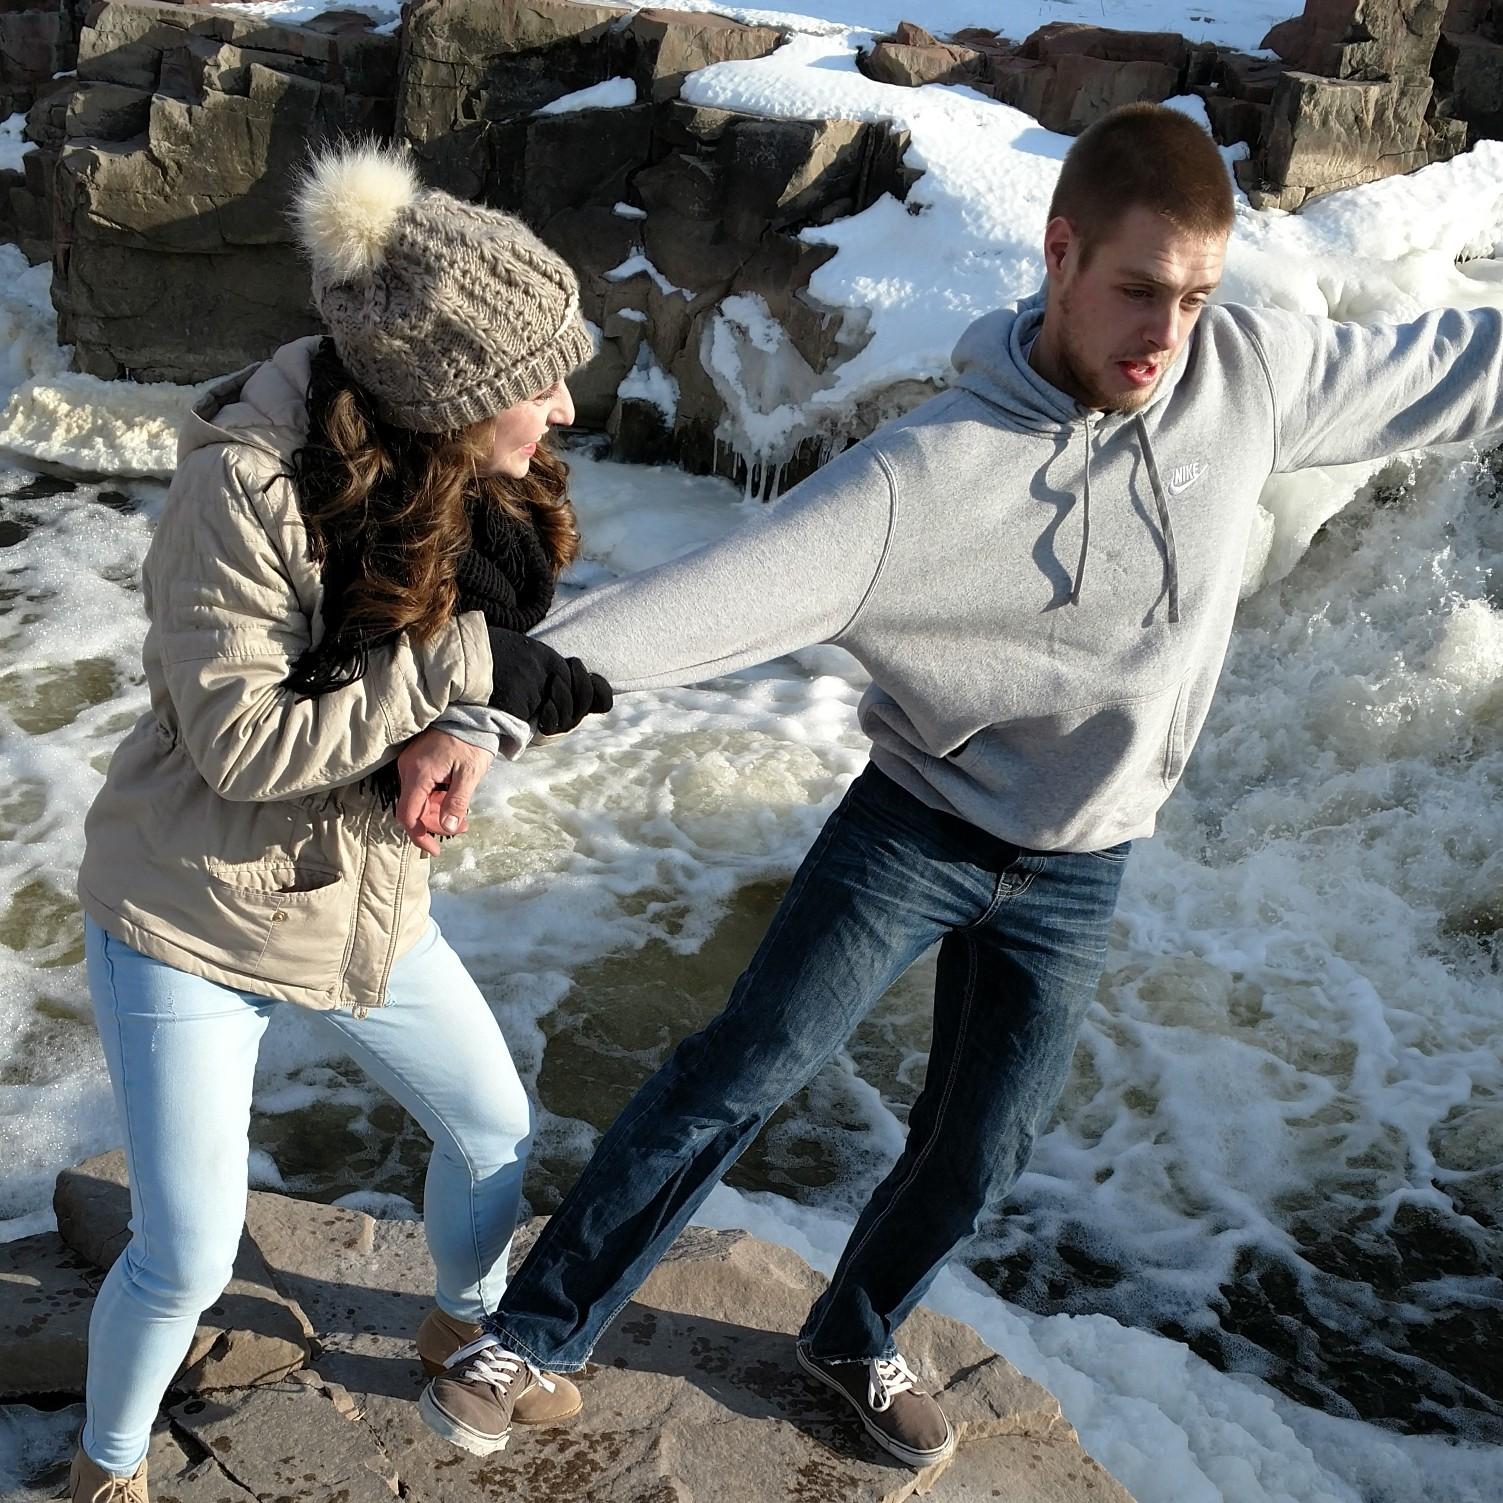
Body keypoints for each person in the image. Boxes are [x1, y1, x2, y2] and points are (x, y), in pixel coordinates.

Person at [400, 102, 1503, 1469]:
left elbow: (1452, 365)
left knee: (982, 1150)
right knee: (741, 1070)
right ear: (1059, 254)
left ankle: (853, 1332)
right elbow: (715, 599)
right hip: (918, 827)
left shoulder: (1245, 370)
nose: (1168, 334)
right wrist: (487, 714)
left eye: (1198, 295)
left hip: (1085, 862)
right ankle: (540, 1333)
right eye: (1140, 290)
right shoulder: (929, 477)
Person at [67, 143, 612, 1503]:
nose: (563, 399)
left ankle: (459, 1329)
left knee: (494, 1126)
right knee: (187, 1258)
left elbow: (456, 668)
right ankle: (107, 1471)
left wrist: (465, 731)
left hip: (352, 891)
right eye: (535, 379)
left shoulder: (458, 479)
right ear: (444, 398)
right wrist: (457, 684)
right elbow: (247, 741)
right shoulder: (241, 491)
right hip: (190, 912)